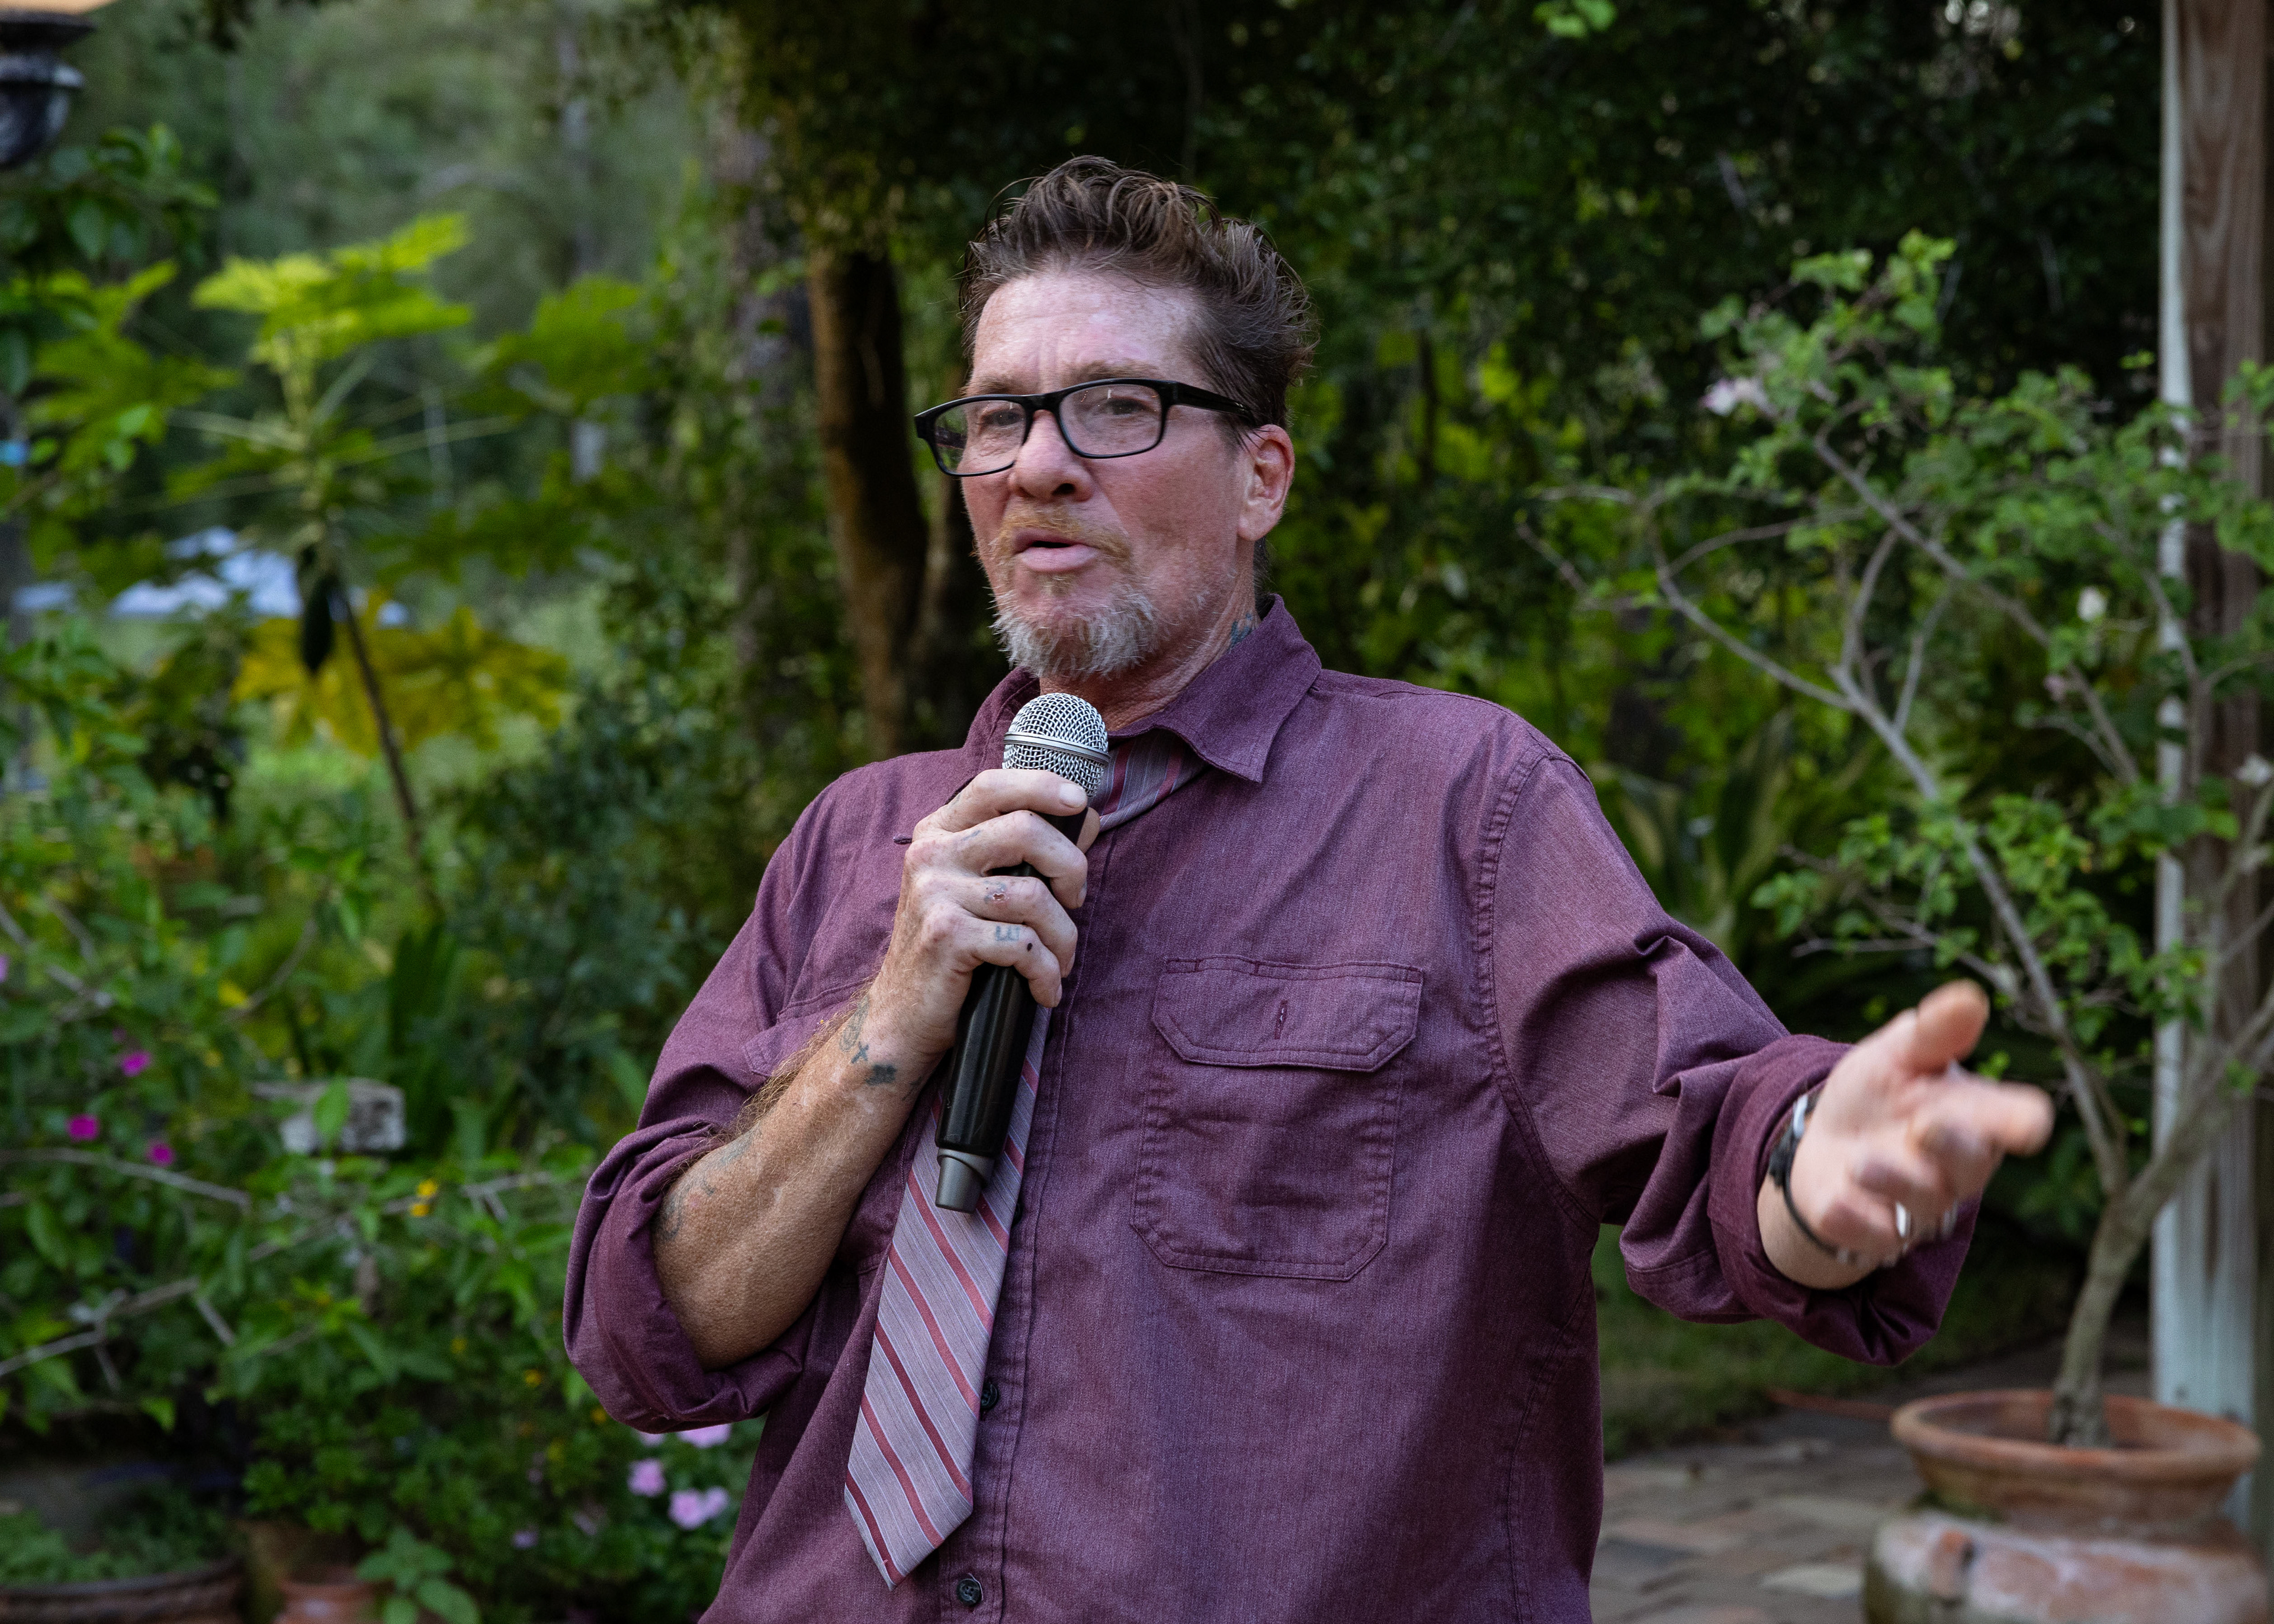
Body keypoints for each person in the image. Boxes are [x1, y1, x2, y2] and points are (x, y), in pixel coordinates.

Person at [564, 156, 2052, 1623]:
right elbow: (649, 1329)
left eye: (1116, 406)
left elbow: (1709, 1128)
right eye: (998, 416)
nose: (1037, 464)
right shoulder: (856, 841)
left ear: (1261, 476)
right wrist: (884, 1032)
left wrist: (1820, 1160)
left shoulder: (1461, 806)